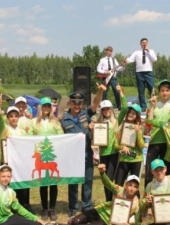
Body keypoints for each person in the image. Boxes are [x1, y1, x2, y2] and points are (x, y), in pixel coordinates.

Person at [60, 83, 106, 217]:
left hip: (86, 153)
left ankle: (86, 206)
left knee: (87, 181)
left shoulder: (86, 114)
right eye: (74, 103)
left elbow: (96, 104)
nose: (77, 105)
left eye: (79, 103)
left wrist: (100, 92)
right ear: (69, 103)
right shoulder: (64, 120)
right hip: (72, 156)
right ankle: (73, 207)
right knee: (73, 181)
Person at [0, 95, 34, 214]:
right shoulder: (4, 129)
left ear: (18, 117)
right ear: (7, 118)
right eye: (11, 116)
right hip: (8, 162)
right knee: (9, 186)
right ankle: (9, 207)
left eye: (15, 116)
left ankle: (22, 206)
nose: (13, 118)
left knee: (22, 186)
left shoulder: (21, 131)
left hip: (20, 163)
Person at [0, 152, 45, 225]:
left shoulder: (11, 192)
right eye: (3, 176)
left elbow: (19, 208)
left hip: (8, 217)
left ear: (11, 177)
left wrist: (36, 218)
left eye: (8, 176)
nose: (6, 179)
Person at [28, 97, 64, 222]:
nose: (47, 108)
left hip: (52, 155)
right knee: (43, 182)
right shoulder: (33, 122)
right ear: (40, 107)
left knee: (53, 182)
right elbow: (29, 137)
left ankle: (52, 208)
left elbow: (61, 136)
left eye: (49, 106)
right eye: (44, 106)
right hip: (41, 155)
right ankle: (44, 208)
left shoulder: (55, 122)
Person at [68, 164, 141, 225]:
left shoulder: (136, 204)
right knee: (75, 221)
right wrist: (102, 173)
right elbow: (108, 184)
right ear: (126, 185)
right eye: (130, 185)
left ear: (137, 189)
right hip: (101, 210)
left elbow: (138, 221)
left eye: (135, 187)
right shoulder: (120, 190)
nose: (132, 188)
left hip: (107, 221)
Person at [144, 80, 170, 188]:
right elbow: (149, 122)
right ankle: (146, 200)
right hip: (154, 141)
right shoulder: (153, 104)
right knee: (148, 174)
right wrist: (152, 106)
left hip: (167, 143)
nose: (165, 93)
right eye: (162, 91)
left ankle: (166, 197)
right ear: (159, 92)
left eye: (167, 90)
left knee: (167, 173)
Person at [89, 99, 119, 202]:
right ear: (101, 111)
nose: (106, 111)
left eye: (108, 109)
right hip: (103, 154)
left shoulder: (115, 122)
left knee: (110, 178)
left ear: (111, 109)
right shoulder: (98, 123)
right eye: (104, 109)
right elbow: (94, 139)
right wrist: (93, 131)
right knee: (105, 179)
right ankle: (108, 201)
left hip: (114, 153)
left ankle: (111, 201)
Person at [114, 103, 145, 193]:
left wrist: (138, 132)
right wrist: (122, 146)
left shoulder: (141, 128)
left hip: (136, 160)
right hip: (123, 160)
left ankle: (135, 206)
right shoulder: (121, 126)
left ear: (137, 115)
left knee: (134, 188)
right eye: (130, 112)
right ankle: (117, 206)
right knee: (118, 186)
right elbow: (115, 144)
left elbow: (142, 146)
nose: (131, 115)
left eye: (134, 113)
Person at [123, 38, 157, 111]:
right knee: (141, 91)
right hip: (139, 73)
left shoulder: (151, 51)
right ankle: (143, 107)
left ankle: (153, 105)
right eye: (143, 43)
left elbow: (155, 59)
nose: (144, 44)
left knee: (152, 89)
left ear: (147, 44)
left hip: (149, 72)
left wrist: (149, 51)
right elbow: (130, 59)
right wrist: (126, 60)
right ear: (140, 44)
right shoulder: (136, 52)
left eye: (145, 42)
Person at [96, 46, 124, 110]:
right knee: (104, 92)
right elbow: (98, 69)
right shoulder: (102, 60)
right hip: (105, 77)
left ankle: (119, 107)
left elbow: (119, 68)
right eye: (108, 51)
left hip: (113, 77)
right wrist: (105, 72)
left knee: (117, 91)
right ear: (106, 51)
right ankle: (103, 106)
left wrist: (123, 66)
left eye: (111, 51)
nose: (110, 52)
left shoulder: (114, 60)